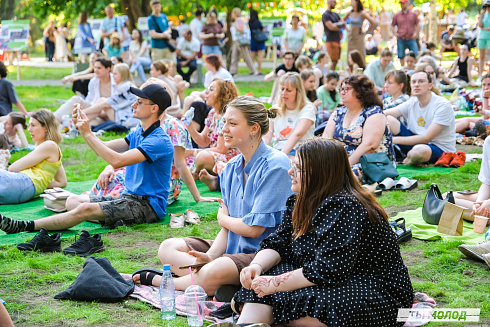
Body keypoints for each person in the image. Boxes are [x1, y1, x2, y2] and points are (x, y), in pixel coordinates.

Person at [234, 137, 414, 327]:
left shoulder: (345, 205)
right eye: (292, 165)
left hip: (374, 287)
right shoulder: (299, 201)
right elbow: (278, 244)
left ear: (321, 173)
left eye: (298, 169)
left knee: (307, 300)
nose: (290, 172)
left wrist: (275, 284)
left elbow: (329, 269)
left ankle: (269, 318)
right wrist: (257, 266)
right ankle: (250, 323)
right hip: (331, 278)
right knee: (267, 279)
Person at [132, 96, 293, 299]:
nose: (223, 129)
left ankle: (161, 280)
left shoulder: (275, 166)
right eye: (224, 121)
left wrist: (223, 220)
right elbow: (228, 230)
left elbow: (254, 230)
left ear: (254, 129)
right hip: (232, 249)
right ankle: (219, 282)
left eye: (232, 123)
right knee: (168, 248)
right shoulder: (231, 168)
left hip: (262, 255)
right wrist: (209, 256)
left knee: (214, 271)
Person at [0, 84, 174, 234]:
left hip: (148, 207)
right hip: (128, 197)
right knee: (72, 201)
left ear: (154, 108)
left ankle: (23, 226)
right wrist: (84, 131)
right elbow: (103, 148)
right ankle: (114, 219)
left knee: (84, 209)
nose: (133, 104)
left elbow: (117, 161)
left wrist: (88, 133)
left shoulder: (159, 140)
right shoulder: (139, 132)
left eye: (139, 102)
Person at [91, 78, 218, 205]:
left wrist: (197, 197)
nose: (135, 104)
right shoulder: (143, 124)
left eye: (141, 100)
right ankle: (85, 205)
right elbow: (127, 151)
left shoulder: (173, 126)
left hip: (159, 183)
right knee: (107, 180)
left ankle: (88, 207)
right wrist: (109, 166)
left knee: (115, 191)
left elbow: (180, 164)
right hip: (140, 172)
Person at [323, 74, 395, 178]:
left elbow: (369, 146)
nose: (342, 92)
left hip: (370, 163)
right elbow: (325, 140)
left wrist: (344, 166)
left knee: (345, 176)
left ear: (360, 91)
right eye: (341, 89)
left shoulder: (374, 112)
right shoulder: (338, 112)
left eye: (347, 89)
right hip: (340, 161)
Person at [385, 71, 456, 165]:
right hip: (414, 143)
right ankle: (406, 155)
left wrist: (391, 140)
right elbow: (384, 114)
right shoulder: (412, 102)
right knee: (388, 119)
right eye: (413, 82)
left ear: (430, 85)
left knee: (418, 151)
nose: (416, 85)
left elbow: (426, 138)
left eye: (421, 81)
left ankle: (407, 157)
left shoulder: (442, 105)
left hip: (438, 148)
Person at [0, 109, 66, 205]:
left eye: (33, 125)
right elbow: (62, 182)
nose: (29, 129)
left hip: (22, 183)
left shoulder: (49, 145)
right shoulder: (53, 149)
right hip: (25, 188)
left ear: (46, 128)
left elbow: (13, 168)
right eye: (30, 125)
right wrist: (39, 186)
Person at [186, 79, 240, 180]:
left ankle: (210, 175)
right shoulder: (212, 113)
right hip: (215, 154)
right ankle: (204, 174)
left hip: (229, 158)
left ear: (222, 94)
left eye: (211, 89)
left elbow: (222, 149)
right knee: (184, 157)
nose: (206, 92)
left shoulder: (226, 116)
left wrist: (192, 152)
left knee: (202, 157)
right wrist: (190, 127)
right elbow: (203, 141)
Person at [264, 72, 316, 158]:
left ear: (298, 92)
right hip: (278, 150)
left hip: (300, 151)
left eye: (288, 90)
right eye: (282, 89)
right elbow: (267, 135)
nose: (284, 93)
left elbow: (297, 135)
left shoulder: (308, 108)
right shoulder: (275, 109)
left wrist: (280, 157)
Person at [54, 58, 116, 122]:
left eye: (99, 68)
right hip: (93, 110)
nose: (95, 70)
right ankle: (53, 119)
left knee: (91, 122)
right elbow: (89, 99)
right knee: (76, 99)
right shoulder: (94, 81)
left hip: (108, 113)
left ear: (108, 69)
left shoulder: (115, 80)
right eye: (95, 68)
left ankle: (72, 123)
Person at [82, 63, 137, 127]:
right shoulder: (125, 85)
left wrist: (84, 111)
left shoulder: (125, 87)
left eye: (115, 74)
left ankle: (79, 121)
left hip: (125, 120)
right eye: (113, 73)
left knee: (103, 103)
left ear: (123, 75)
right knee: (101, 103)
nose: (112, 76)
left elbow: (106, 104)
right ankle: (80, 122)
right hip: (123, 115)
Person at [391, 0, 419, 66]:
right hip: (401, 38)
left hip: (411, 37)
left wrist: (416, 34)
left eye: (403, 3)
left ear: (407, 3)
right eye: (401, 3)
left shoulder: (413, 14)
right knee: (401, 55)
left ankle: (414, 69)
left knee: (415, 54)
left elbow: (417, 24)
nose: (402, 5)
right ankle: (403, 69)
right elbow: (392, 25)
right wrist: (395, 34)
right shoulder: (397, 15)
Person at [230, 7, 256, 75]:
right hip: (235, 40)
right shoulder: (236, 21)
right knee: (234, 56)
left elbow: (242, 30)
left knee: (245, 55)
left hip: (240, 41)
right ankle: (233, 71)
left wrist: (235, 26)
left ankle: (252, 70)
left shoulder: (239, 20)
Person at [322, 0, 346, 70]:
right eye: (334, 2)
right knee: (333, 61)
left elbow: (343, 23)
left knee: (336, 60)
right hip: (331, 40)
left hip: (337, 39)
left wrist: (336, 25)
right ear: (329, 2)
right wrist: (338, 25)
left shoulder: (335, 14)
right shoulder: (325, 15)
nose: (335, 4)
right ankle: (329, 76)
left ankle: (332, 75)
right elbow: (331, 27)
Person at [249, 8, 266, 75]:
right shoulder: (258, 22)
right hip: (259, 40)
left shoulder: (250, 22)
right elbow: (263, 29)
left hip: (253, 40)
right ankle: (259, 70)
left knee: (252, 56)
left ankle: (252, 70)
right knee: (260, 56)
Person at [477, 2, 490, 86]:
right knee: (481, 57)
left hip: (489, 37)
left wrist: (484, 28)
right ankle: (480, 76)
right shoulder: (484, 15)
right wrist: (481, 15)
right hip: (482, 37)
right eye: (487, 6)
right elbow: (480, 25)